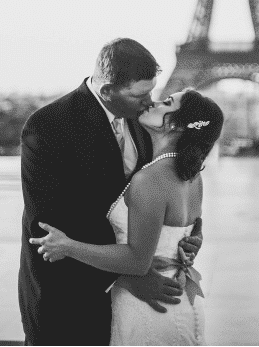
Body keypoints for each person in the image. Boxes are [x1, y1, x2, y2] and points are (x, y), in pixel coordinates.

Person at [18, 38, 202, 345]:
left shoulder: (144, 123)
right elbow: (48, 223)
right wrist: (129, 277)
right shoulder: (48, 126)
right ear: (107, 91)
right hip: (68, 298)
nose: (150, 101)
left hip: (134, 292)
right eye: (140, 95)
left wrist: (178, 239)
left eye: (152, 92)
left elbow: (153, 200)